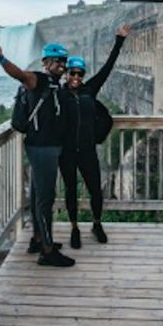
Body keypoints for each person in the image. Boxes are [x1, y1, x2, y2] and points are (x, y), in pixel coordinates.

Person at [0, 35, 75, 267]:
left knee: (38, 195)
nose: (61, 65)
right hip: (42, 148)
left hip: (50, 148)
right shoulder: (39, 80)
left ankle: (38, 239)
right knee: (45, 200)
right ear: (45, 62)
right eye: (56, 61)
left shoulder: (58, 84)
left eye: (63, 61)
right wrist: (1, 58)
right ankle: (47, 252)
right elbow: (19, 74)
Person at [60, 24, 129, 249]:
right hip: (67, 152)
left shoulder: (90, 90)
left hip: (88, 150)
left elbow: (108, 67)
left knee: (95, 190)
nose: (77, 78)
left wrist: (119, 41)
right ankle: (74, 228)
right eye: (73, 74)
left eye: (80, 74)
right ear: (67, 74)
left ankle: (97, 224)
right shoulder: (58, 94)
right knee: (71, 190)